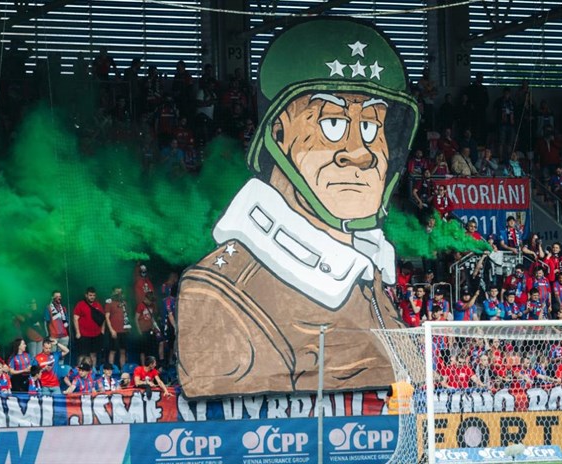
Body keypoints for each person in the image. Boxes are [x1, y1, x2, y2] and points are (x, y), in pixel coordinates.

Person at [177, 19, 418, 397]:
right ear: (278, 135)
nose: (360, 153)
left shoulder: (366, 270)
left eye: (371, 128)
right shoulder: (219, 293)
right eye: (333, 123)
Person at [73, 287, 105, 367]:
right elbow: (75, 318)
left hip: (96, 335)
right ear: (86, 295)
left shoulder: (98, 305)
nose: (92, 297)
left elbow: (103, 318)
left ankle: (92, 371)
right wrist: (77, 332)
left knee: (93, 354)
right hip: (83, 335)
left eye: (93, 295)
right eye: (90, 295)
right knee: (82, 355)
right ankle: (79, 370)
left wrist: (102, 330)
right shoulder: (80, 304)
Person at [104, 286, 131, 369]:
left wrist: (128, 328)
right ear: (113, 292)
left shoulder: (124, 303)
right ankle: (110, 370)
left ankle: (123, 370)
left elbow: (127, 316)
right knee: (113, 351)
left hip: (124, 331)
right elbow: (107, 317)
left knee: (123, 351)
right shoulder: (109, 303)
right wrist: (111, 330)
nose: (119, 294)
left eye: (120, 292)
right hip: (114, 331)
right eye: (117, 292)